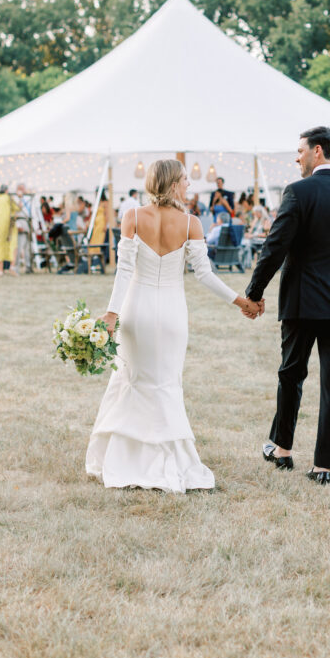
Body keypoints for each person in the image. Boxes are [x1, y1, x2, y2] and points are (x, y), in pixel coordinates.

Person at [86, 159, 260, 492]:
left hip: (135, 310)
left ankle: (125, 460)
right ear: (172, 184)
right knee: (165, 383)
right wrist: (240, 301)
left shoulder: (133, 217)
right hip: (171, 314)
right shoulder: (191, 223)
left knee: (133, 380)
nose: (189, 186)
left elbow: (124, 271)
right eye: (184, 180)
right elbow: (204, 275)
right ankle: (170, 460)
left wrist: (112, 313)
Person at [244, 126, 330, 485]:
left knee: (291, 374)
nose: (296, 157)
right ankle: (323, 467)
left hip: (302, 303)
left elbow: (275, 248)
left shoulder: (299, 192)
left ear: (317, 151)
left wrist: (254, 292)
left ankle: (283, 448)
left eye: (299, 150)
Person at [0, 185, 18, 276]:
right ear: (6, 191)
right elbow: (17, 208)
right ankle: (11, 267)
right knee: (12, 244)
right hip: (8, 224)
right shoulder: (8, 198)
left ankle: (0, 270)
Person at [13, 183, 31, 273]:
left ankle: (28, 266)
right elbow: (15, 212)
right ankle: (16, 268)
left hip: (28, 222)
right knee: (18, 247)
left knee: (27, 247)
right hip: (20, 222)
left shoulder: (28, 198)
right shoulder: (14, 199)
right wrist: (18, 225)